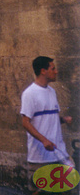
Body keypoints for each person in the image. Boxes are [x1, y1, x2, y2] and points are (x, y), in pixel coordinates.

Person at [20, 56, 73, 192]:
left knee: (64, 189)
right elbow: (25, 122)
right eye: (53, 68)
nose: (56, 71)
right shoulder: (29, 94)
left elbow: (49, 118)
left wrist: (63, 120)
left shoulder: (52, 92)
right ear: (43, 71)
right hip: (40, 157)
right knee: (41, 191)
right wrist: (44, 141)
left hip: (58, 153)